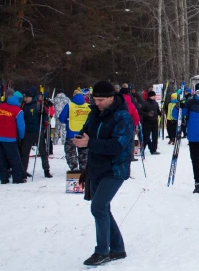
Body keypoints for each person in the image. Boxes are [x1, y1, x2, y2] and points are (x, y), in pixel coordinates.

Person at [74, 81, 134, 266]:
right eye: (94, 99)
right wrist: (81, 136)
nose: (96, 103)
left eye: (100, 100)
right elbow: (87, 131)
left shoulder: (122, 117)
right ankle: (117, 248)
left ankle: (102, 251)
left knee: (98, 207)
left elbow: (117, 146)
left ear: (111, 98)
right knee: (103, 208)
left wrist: (90, 143)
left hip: (115, 168)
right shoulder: (94, 113)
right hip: (96, 167)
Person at [0, 89, 26, 183]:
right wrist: (21, 137)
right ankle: (17, 179)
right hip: (9, 138)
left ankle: (3, 178)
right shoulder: (18, 111)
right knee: (14, 158)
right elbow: (21, 127)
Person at [20, 89, 52, 179]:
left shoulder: (38, 105)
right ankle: (23, 170)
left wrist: (44, 115)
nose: (25, 99)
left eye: (27, 97)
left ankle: (46, 170)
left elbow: (46, 116)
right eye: (24, 97)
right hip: (27, 132)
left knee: (42, 151)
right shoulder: (22, 106)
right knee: (25, 153)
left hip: (38, 131)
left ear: (31, 97)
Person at [58, 90, 90, 171]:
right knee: (84, 153)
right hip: (85, 134)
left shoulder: (69, 105)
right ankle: (84, 169)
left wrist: (68, 121)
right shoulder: (88, 106)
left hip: (71, 133)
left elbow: (61, 118)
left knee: (70, 152)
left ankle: (74, 168)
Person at [140, 91, 161, 155]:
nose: (155, 97)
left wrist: (160, 113)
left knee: (155, 137)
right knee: (146, 137)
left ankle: (153, 150)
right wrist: (147, 114)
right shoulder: (145, 103)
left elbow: (158, 111)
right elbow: (140, 112)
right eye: (154, 96)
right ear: (150, 96)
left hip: (155, 122)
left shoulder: (156, 103)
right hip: (147, 122)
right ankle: (142, 149)